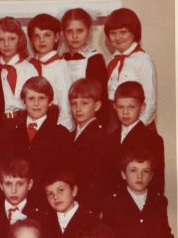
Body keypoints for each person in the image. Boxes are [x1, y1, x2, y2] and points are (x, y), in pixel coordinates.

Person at [101, 148, 176, 238]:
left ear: (151, 176)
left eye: (145, 171)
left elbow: (164, 232)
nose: (139, 176)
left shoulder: (159, 201)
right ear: (123, 174)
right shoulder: (112, 202)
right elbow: (106, 237)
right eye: (133, 170)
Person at [9, 76, 72, 194]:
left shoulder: (61, 134)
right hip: (18, 196)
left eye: (41, 98)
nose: (36, 103)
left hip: (47, 197)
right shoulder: (12, 134)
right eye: (31, 98)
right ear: (23, 101)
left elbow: (65, 173)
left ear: (50, 101)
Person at [108, 80, 164, 193]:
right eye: (120, 107)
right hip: (111, 200)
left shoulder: (152, 139)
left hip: (137, 200)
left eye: (131, 107)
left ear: (142, 106)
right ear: (114, 106)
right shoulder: (109, 138)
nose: (125, 112)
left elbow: (157, 181)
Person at [104, 7, 156, 127]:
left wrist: (137, 129)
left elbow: (150, 102)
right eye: (113, 33)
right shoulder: (109, 61)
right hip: (113, 120)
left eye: (123, 32)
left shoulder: (143, 60)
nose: (118, 38)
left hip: (137, 120)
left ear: (134, 32)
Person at [61, 7, 111, 129]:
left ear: (88, 31)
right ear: (63, 33)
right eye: (69, 31)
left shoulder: (94, 59)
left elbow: (101, 96)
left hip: (88, 120)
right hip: (64, 119)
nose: (75, 36)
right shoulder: (60, 59)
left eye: (80, 31)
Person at [27, 13, 73, 131]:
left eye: (47, 35)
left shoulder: (60, 65)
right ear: (31, 40)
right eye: (36, 36)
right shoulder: (28, 66)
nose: (41, 40)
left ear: (56, 37)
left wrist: (64, 131)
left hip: (53, 120)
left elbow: (65, 104)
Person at [68, 78, 109, 212]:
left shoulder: (101, 136)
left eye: (84, 103)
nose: (78, 109)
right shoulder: (70, 135)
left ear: (97, 106)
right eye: (74, 104)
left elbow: (100, 180)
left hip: (89, 204)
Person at [0, 16, 38, 123]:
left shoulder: (29, 69)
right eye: (1, 39)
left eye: (12, 39)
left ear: (20, 39)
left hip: (24, 122)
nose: (6, 44)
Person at [41, 169, 96, 238]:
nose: (55, 197)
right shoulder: (43, 222)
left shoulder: (91, 220)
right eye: (50, 193)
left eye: (61, 190)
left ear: (74, 191)